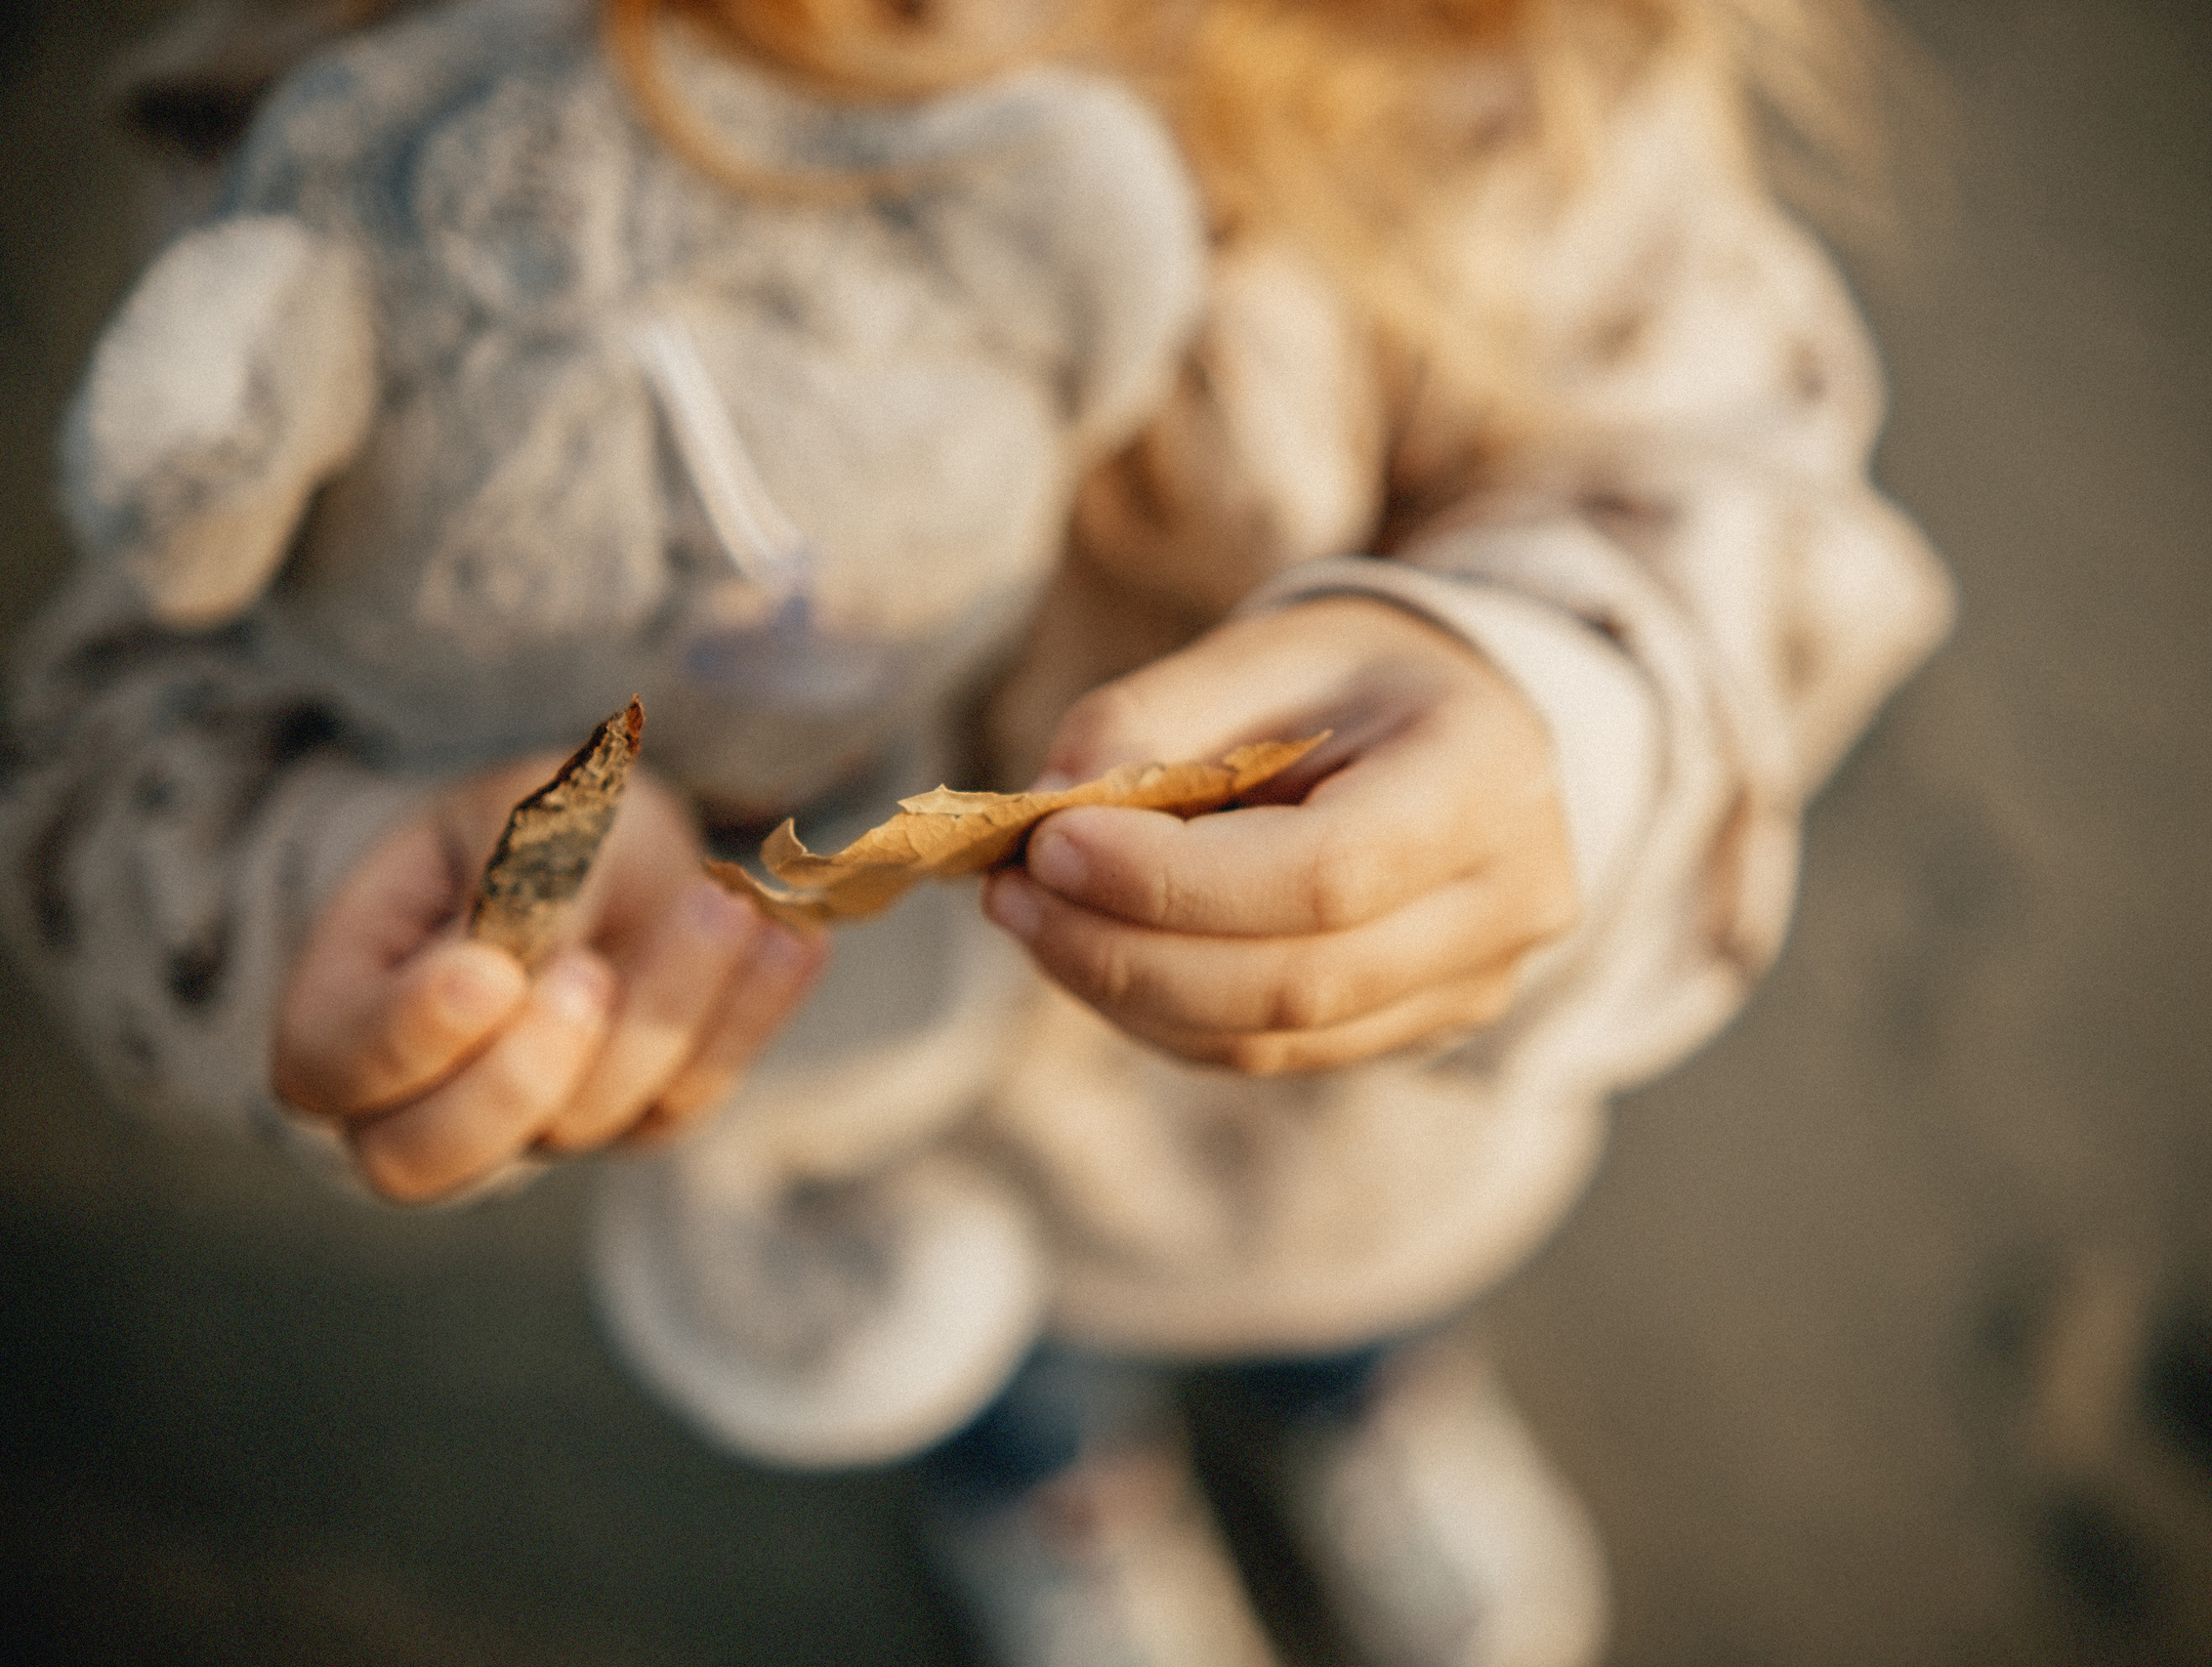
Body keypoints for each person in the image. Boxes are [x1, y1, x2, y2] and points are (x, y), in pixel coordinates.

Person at [1, 0, 1954, 1661]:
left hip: (1346, 1136)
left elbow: (1730, 487)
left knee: (1357, 1308)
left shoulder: (1490, 71)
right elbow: (129, 692)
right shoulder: (414, 115)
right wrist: (321, 870)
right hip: (884, 1164)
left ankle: (1367, 1402)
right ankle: (1063, 1499)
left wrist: (1555, 708)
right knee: (998, 1382)